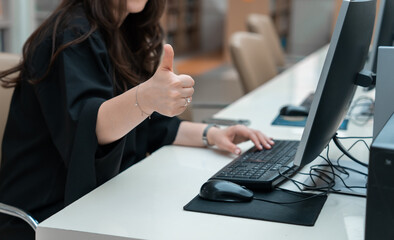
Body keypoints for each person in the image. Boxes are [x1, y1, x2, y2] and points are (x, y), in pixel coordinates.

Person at [0, 0, 274, 239]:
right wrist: (144, 98)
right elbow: (91, 128)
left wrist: (211, 134)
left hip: (100, 200)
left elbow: (148, 127)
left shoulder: (124, 29)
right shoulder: (69, 35)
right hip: (48, 215)